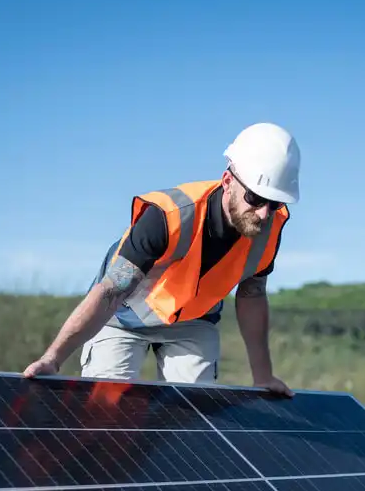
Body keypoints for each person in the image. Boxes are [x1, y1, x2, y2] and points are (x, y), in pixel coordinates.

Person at [21, 122, 300, 397]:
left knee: (193, 414)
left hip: (193, 321)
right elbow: (111, 291)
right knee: (104, 413)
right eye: (254, 198)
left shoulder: (269, 229)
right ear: (228, 181)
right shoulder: (168, 217)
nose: (264, 213)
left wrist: (262, 375)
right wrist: (53, 358)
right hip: (122, 317)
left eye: (274, 203)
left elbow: (252, 296)